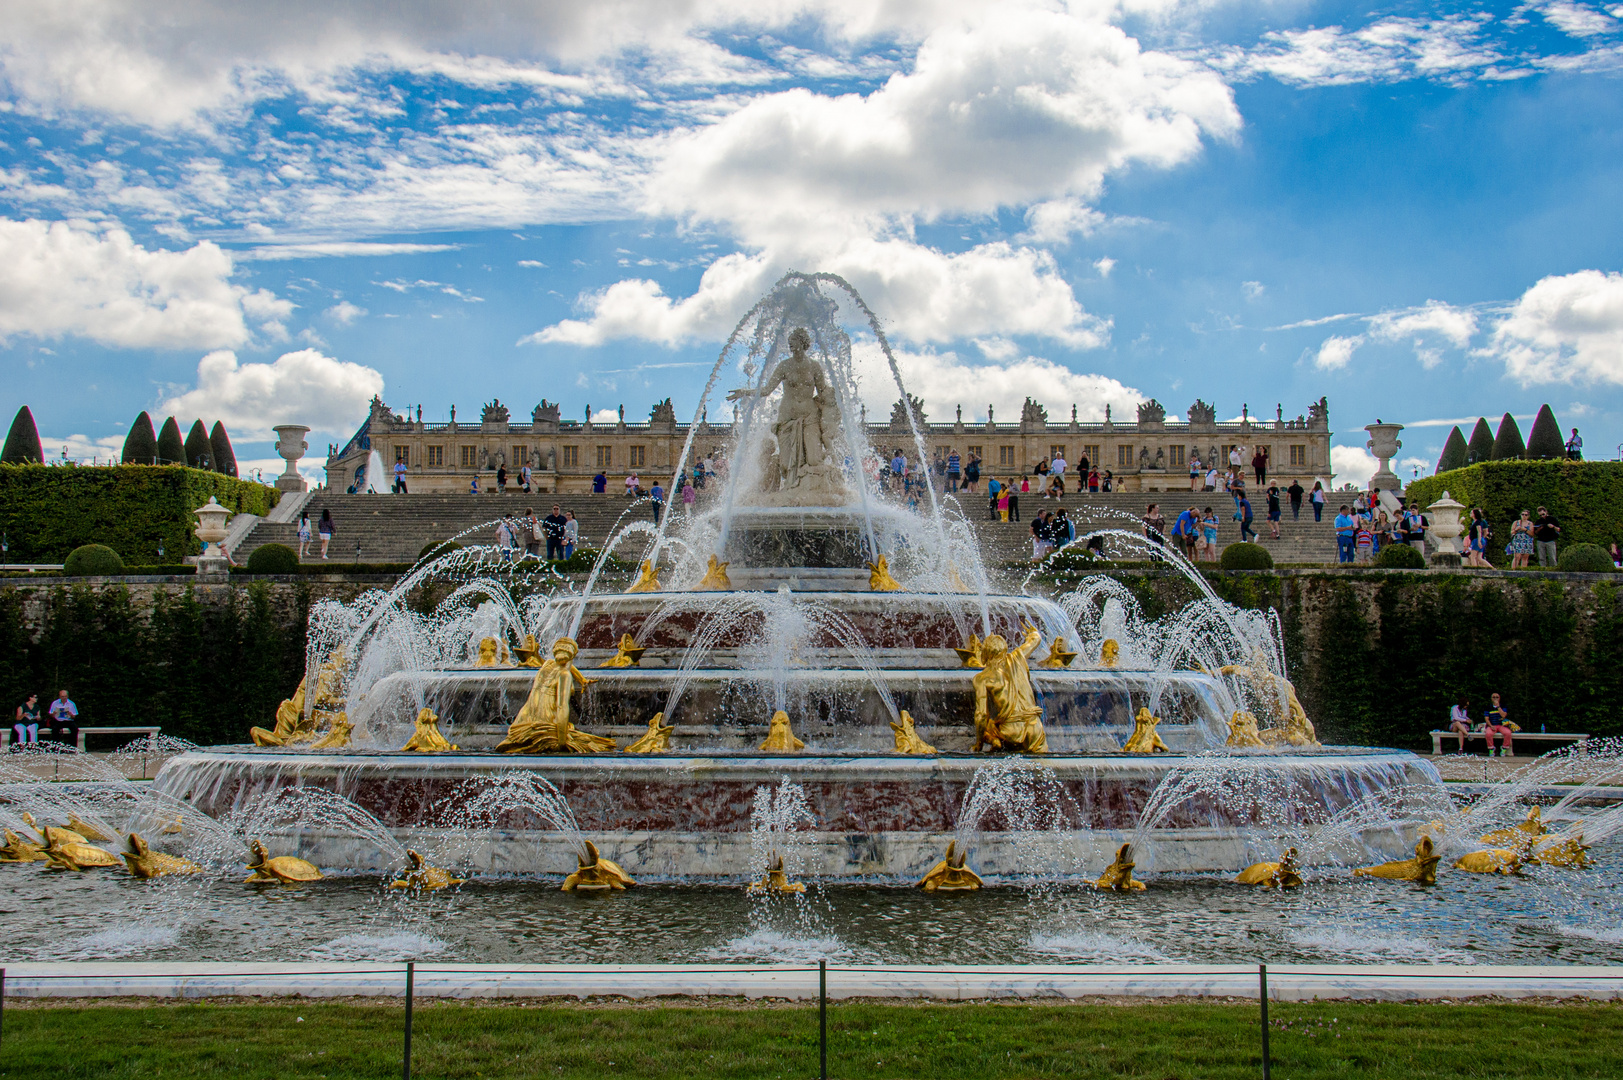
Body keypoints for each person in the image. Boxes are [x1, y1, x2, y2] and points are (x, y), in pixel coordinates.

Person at [1482, 693, 1514, 757]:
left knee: (1508, 733)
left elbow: (1503, 715)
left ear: (1499, 698)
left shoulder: (1503, 706)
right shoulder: (1488, 707)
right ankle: (1491, 749)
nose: (1495, 698)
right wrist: (1491, 726)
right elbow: (1486, 719)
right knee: (1488, 733)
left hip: (1501, 725)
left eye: (1497, 697)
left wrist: (1498, 707)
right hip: (1492, 725)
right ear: (1491, 699)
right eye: (1494, 697)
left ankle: (1504, 748)